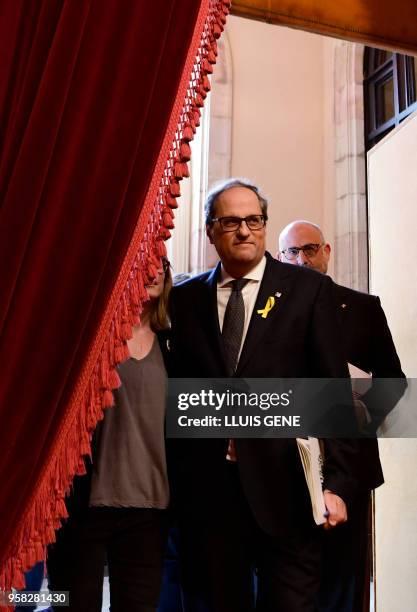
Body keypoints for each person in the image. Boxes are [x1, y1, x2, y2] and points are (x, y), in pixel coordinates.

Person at [167, 178, 358, 612]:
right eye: (231, 221)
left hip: (289, 495)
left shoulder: (308, 291)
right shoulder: (184, 301)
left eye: (254, 220)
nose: (245, 231)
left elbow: (333, 391)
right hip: (208, 501)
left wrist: (340, 485)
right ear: (211, 230)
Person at [278, 220, 406, 612]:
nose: (302, 259)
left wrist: (361, 411)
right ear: (281, 258)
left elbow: (393, 380)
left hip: (350, 464)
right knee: (290, 582)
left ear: (327, 252)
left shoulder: (363, 308)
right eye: (293, 252)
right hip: (288, 467)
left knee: (344, 584)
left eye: (311, 249)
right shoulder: (271, 311)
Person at [47, 258, 172, 612]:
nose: (156, 270)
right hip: (85, 506)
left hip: (150, 508)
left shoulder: (174, 346)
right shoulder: (91, 339)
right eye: (146, 261)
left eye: (162, 263)